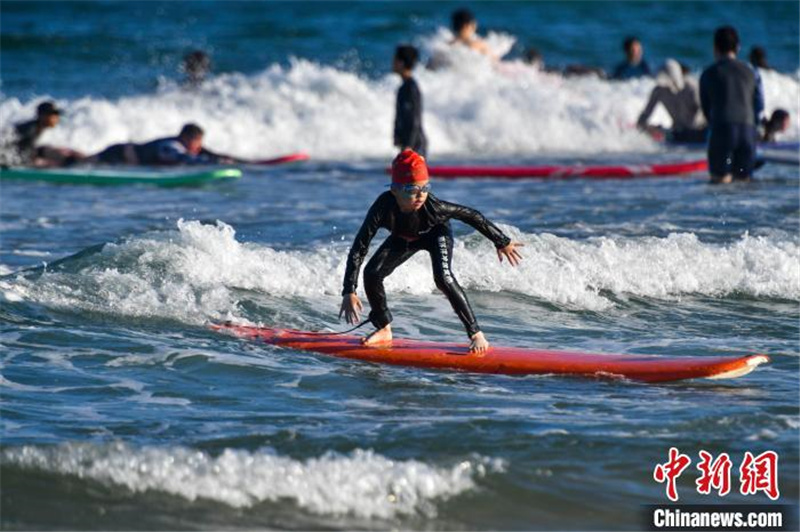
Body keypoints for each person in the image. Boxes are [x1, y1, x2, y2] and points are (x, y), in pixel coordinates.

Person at [339, 149, 524, 353]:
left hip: (436, 233)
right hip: (404, 237)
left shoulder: (434, 207)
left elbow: (472, 215)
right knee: (372, 273)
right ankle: (384, 328)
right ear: (395, 190)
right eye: (412, 189)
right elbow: (360, 246)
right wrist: (349, 290)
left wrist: (501, 241)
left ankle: (476, 334)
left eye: (425, 188)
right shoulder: (382, 207)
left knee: (443, 278)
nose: (420, 195)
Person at [700, 26, 764, 184]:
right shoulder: (752, 72)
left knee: (720, 184)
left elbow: (706, 108)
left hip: (722, 130)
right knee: (743, 184)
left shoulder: (708, 73)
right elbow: (759, 104)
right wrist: (754, 127)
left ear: (715, 48)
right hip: (747, 133)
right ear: (738, 47)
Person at [90, 123, 236, 166]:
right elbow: (184, 158)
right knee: (83, 162)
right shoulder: (172, 146)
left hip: (123, 154)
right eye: (197, 143)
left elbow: (207, 153)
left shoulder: (182, 145)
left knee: (85, 161)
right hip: (119, 154)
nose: (198, 148)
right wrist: (212, 162)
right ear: (187, 138)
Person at [637, 59, 706, 143]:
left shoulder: (691, 87)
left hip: (698, 132)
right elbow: (646, 113)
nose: (666, 87)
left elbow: (705, 110)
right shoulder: (659, 90)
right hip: (677, 133)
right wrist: (641, 126)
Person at [7, 101, 84, 167]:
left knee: (59, 151)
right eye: (53, 114)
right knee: (54, 161)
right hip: (9, 158)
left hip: (20, 153)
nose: (57, 117)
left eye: (57, 114)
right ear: (42, 116)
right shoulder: (30, 130)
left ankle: (83, 160)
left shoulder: (37, 126)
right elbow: (22, 155)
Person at [393, 45, 427, 158]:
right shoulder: (404, 87)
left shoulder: (411, 88)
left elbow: (415, 119)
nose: (392, 63)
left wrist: (409, 146)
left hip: (415, 146)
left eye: (395, 60)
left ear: (401, 63)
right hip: (409, 145)